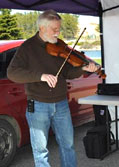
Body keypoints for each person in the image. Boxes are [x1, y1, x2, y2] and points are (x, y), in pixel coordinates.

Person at [7, 10, 99, 167]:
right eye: (54, 29)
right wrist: (40, 76)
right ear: (42, 28)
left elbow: (68, 73)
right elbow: (12, 73)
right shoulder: (27, 47)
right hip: (38, 104)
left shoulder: (59, 45)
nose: (58, 32)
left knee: (68, 145)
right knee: (40, 149)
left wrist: (84, 69)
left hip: (61, 103)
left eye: (59, 28)